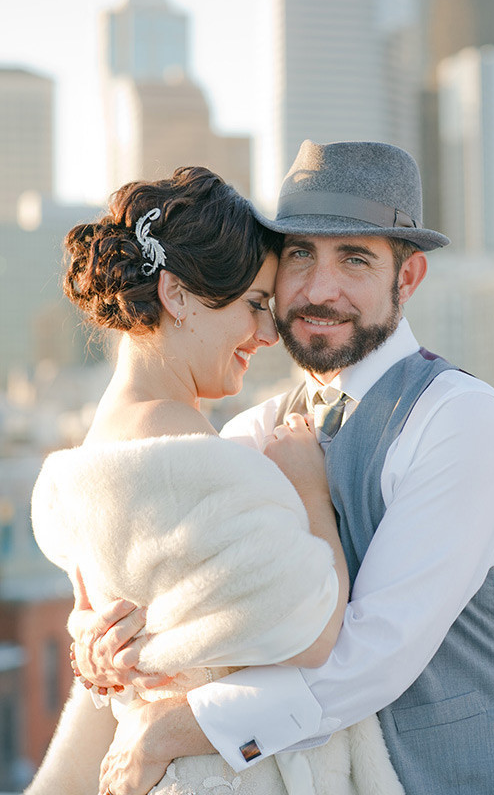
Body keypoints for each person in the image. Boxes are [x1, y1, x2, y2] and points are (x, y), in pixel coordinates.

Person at [70, 141, 494, 795]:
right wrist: (98, 645)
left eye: (354, 259)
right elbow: (196, 606)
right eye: (300, 254)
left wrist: (176, 727)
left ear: (407, 278)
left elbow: (375, 656)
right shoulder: (255, 430)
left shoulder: (459, 415)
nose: (316, 289)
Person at [27, 165, 405, 795]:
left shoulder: (103, 450)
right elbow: (312, 632)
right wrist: (311, 493)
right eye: (255, 305)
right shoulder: (183, 452)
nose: (266, 332)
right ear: (176, 296)